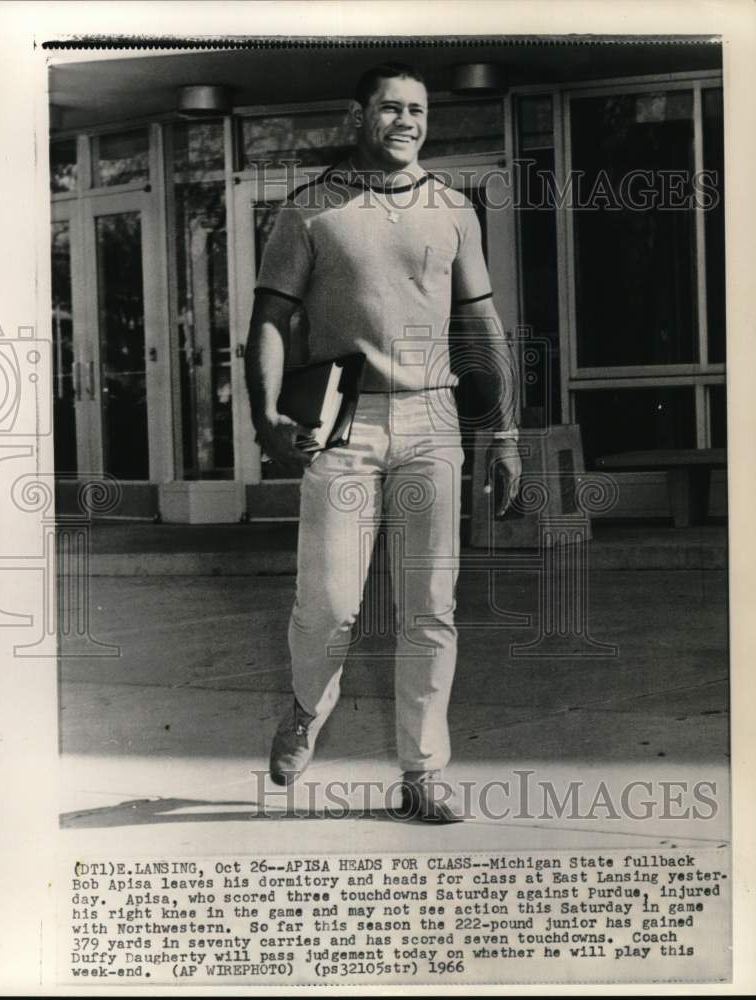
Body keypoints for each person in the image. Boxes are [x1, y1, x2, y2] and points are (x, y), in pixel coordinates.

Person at [245, 63, 521, 823]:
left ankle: (423, 772)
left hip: (433, 421)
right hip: (343, 426)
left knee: (430, 607)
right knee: (331, 604)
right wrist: (265, 415)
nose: (407, 122)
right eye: (391, 108)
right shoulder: (309, 211)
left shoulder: (453, 209)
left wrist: (503, 432)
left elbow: (481, 325)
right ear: (357, 115)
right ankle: (307, 706)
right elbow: (269, 320)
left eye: (418, 111)